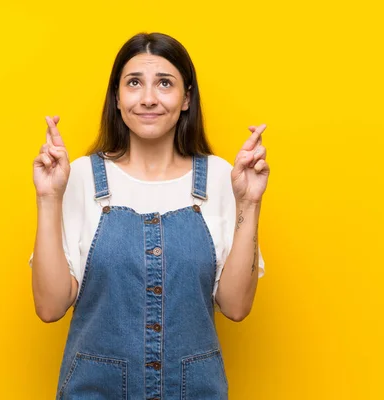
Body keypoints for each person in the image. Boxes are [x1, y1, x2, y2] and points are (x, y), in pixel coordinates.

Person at [29, 32, 270, 399]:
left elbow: (236, 307)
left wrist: (250, 202)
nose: (148, 98)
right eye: (134, 83)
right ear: (117, 98)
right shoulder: (76, 177)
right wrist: (48, 197)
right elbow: (49, 307)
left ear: (186, 98)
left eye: (164, 83)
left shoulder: (224, 177)